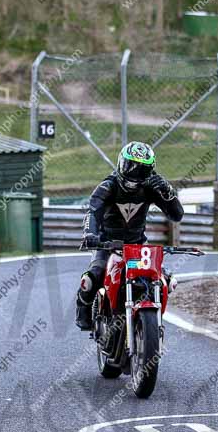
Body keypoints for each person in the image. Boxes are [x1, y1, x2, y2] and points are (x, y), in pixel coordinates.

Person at [75, 141, 184, 330]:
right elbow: (93, 212)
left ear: (150, 170)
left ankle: (151, 319)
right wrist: (90, 234)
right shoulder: (108, 186)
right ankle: (82, 309)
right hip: (108, 244)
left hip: (138, 245)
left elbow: (176, 215)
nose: (134, 174)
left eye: (141, 170)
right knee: (92, 278)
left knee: (165, 279)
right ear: (120, 163)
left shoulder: (152, 186)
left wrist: (168, 192)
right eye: (130, 166)